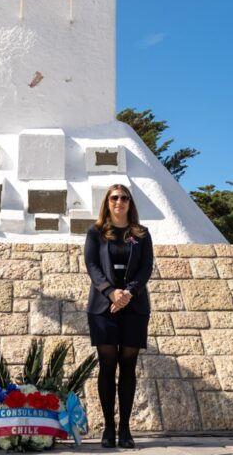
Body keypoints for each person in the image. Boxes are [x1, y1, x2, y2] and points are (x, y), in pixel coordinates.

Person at [83, 184, 154, 449]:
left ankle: (125, 428)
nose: (119, 202)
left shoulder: (142, 234)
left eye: (124, 198)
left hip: (134, 307)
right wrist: (112, 293)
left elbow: (146, 267)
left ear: (130, 203)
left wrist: (128, 294)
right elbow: (92, 265)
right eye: (114, 197)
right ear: (107, 202)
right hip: (103, 307)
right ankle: (108, 428)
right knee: (107, 364)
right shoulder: (96, 232)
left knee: (128, 366)